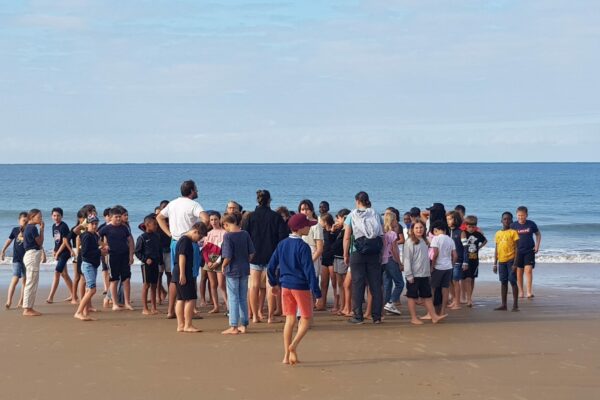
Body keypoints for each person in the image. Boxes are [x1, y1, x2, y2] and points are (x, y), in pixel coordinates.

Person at [267, 213, 322, 365]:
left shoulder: (282, 244)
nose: (309, 228)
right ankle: (294, 345)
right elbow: (309, 271)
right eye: (307, 226)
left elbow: (271, 267)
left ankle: (287, 356)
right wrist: (317, 292)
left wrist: (274, 283)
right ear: (300, 228)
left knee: (289, 320)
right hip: (301, 286)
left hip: (285, 286)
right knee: (306, 319)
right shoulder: (303, 247)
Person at [156, 180, 209, 319]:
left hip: (175, 241)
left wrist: (169, 233)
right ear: (191, 191)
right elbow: (205, 217)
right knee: (191, 274)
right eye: (196, 189)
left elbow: (159, 217)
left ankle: (171, 310)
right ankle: (190, 309)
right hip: (189, 241)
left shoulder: (173, 203)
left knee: (176, 275)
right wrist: (200, 230)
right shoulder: (193, 205)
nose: (197, 191)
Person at [242, 189, 288, 324]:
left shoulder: (250, 217)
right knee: (270, 286)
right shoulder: (276, 217)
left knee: (254, 285)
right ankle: (270, 317)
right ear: (269, 200)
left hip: (254, 255)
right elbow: (282, 238)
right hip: (272, 255)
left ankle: (255, 316)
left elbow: (245, 236)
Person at [343, 191, 384, 325]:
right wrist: (381, 252)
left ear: (357, 201)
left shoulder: (352, 215)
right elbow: (381, 234)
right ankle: (376, 316)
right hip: (374, 252)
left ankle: (358, 316)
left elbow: (347, 236)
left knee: (358, 284)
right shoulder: (376, 214)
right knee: (375, 285)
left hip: (358, 252)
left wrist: (345, 254)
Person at [403, 220, 447, 325]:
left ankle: (434, 316)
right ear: (412, 230)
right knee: (412, 297)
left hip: (424, 274)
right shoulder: (409, 242)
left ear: (424, 229)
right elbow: (407, 259)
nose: (419, 230)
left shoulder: (425, 241)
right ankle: (413, 318)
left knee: (427, 296)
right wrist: (409, 275)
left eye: (421, 227)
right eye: (416, 228)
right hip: (413, 275)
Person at [221, 212, 255, 335]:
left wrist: (223, 266)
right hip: (244, 268)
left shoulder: (228, 236)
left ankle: (234, 325)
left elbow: (228, 256)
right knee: (242, 297)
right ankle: (244, 324)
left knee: (233, 298)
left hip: (232, 270)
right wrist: (245, 261)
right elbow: (251, 253)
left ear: (226, 224)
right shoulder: (245, 234)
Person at [99, 207, 135, 311]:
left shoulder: (124, 228)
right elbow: (95, 237)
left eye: (120, 217)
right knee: (114, 280)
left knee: (126, 279)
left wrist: (131, 255)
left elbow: (130, 241)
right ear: (110, 217)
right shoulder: (106, 228)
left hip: (124, 255)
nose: (119, 219)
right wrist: (103, 245)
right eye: (116, 217)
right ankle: (115, 303)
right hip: (113, 256)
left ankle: (127, 303)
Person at [174, 222, 207, 333]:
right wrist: (182, 274)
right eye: (200, 236)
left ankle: (181, 325)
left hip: (179, 271)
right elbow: (181, 256)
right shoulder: (186, 241)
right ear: (195, 231)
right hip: (183, 271)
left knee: (181, 298)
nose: (199, 240)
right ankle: (187, 324)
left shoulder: (183, 239)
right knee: (190, 298)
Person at [75, 215, 107, 321]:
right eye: (92, 224)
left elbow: (99, 245)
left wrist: (105, 248)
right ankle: (78, 312)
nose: (94, 226)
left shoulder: (95, 235)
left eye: (96, 224)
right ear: (87, 224)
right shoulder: (86, 236)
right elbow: (84, 253)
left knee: (89, 289)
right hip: (87, 265)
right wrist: (100, 252)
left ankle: (85, 311)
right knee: (92, 290)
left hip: (93, 265)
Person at [298, 199, 324, 310]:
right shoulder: (299, 225)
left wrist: (310, 260)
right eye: (302, 209)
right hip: (301, 256)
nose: (305, 212)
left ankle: (311, 306)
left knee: (312, 280)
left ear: (312, 210)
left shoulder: (316, 225)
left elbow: (319, 248)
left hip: (313, 255)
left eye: (307, 209)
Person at [511, 206, 542, 299]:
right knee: (519, 271)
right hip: (517, 251)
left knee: (528, 271)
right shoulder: (513, 225)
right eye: (519, 215)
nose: (521, 217)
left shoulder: (531, 224)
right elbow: (509, 238)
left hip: (529, 250)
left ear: (526, 215)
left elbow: (538, 234)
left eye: (523, 215)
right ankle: (521, 292)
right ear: (516, 215)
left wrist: (537, 245)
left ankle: (529, 292)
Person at [135, 215, 162, 315]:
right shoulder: (142, 237)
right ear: (147, 225)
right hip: (146, 265)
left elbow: (159, 249)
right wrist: (145, 259)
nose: (156, 226)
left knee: (154, 285)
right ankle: (144, 308)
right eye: (154, 224)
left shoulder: (157, 236)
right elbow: (137, 252)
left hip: (155, 263)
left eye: (156, 224)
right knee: (146, 285)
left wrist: (160, 260)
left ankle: (154, 307)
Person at [47, 207, 75, 304]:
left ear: (62, 216)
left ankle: (50, 297)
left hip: (65, 252)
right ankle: (73, 295)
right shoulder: (54, 226)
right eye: (54, 215)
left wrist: (58, 252)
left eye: (58, 215)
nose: (56, 217)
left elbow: (65, 241)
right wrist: (55, 250)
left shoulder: (64, 226)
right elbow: (56, 241)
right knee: (64, 274)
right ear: (51, 216)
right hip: (59, 251)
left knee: (57, 272)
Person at [429, 220, 457, 316]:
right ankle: (443, 311)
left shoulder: (436, 239)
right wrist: (451, 265)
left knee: (432, 288)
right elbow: (455, 255)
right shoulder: (450, 239)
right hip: (448, 267)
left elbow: (435, 254)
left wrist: (432, 266)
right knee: (445, 289)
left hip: (438, 267)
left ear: (436, 230)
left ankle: (431, 312)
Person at [1, 212, 28, 309]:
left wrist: (43, 253)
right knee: (15, 278)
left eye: (27, 221)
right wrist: (3, 251)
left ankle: (21, 301)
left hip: (27, 259)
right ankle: (9, 300)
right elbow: (9, 241)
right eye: (23, 220)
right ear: (19, 220)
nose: (25, 222)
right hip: (16, 258)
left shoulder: (30, 231)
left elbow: (36, 243)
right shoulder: (15, 230)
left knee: (25, 280)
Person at [202, 211, 228, 314]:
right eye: (211, 220)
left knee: (221, 284)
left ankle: (228, 305)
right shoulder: (208, 234)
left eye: (215, 219)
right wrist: (208, 261)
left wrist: (217, 262)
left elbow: (224, 250)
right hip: (209, 259)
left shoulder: (224, 233)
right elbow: (204, 250)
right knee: (212, 284)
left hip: (220, 260)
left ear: (219, 219)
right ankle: (216, 306)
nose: (213, 222)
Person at [494, 212, 520, 311]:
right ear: (501, 220)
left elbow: (517, 248)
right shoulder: (497, 233)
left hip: (511, 260)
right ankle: (504, 305)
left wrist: (515, 263)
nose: (506, 221)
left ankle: (515, 305)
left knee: (513, 281)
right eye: (504, 219)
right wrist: (494, 263)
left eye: (509, 219)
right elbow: (496, 248)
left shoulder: (513, 232)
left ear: (511, 221)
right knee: (503, 282)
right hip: (501, 261)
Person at [22, 209, 45, 317]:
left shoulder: (28, 227)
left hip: (30, 255)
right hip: (32, 255)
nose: (40, 218)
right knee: (31, 283)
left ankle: (29, 307)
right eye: (39, 216)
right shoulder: (32, 228)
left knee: (32, 282)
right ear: (32, 217)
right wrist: (42, 230)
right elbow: (40, 242)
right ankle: (27, 308)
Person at [461, 215, 487, 307]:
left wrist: (479, 247)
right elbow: (462, 246)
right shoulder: (463, 233)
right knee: (467, 279)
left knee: (472, 279)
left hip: (475, 260)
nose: (471, 228)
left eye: (473, 227)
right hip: (466, 259)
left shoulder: (478, 234)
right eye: (469, 226)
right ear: (466, 225)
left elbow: (485, 241)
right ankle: (468, 299)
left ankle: (470, 297)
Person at [382, 212, 404, 316]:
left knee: (387, 283)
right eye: (395, 220)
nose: (397, 222)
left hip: (384, 260)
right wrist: (399, 263)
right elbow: (394, 249)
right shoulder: (393, 234)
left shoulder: (383, 233)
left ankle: (385, 305)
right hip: (391, 259)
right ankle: (391, 302)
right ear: (392, 221)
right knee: (400, 283)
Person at [331, 208, 351, 316]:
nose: (337, 220)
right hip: (337, 258)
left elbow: (341, 244)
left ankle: (346, 306)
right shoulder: (340, 230)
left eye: (338, 218)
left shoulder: (347, 230)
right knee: (340, 284)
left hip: (343, 258)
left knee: (345, 284)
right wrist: (332, 231)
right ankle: (342, 306)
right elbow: (333, 243)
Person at [446, 211, 464, 310]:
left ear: (455, 219)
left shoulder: (461, 232)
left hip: (458, 261)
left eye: (450, 219)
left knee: (455, 280)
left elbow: (465, 248)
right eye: (447, 219)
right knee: (449, 281)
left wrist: (465, 261)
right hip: (448, 260)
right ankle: (453, 299)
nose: (448, 221)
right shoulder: (447, 232)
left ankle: (457, 302)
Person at [319, 213, 336, 312]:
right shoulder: (322, 231)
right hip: (324, 258)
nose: (319, 222)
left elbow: (333, 243)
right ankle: (322, 303)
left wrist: (332, 232)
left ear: (325, 222)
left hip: (332, 259)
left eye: (321, 221)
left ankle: (336, 304)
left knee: (334, 283)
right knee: (323, 283)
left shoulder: (334, 232)